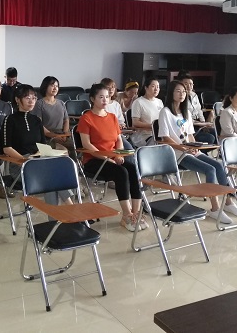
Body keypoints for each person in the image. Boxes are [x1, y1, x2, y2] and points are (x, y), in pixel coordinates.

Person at [158, 80, 237, 224]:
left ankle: (228, 202)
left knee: (218, 165)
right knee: (210, 170)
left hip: (190, 150)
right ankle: (215, 208)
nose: (182, 94)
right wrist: (184, 148)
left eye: (184, 92)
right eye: (178, 91)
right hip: (176, 153)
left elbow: (190, 135)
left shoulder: (186, 113)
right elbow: (165, 138)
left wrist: (194, 145)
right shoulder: (165, 112)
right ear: (171, 93)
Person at [77, 83, 145, 232]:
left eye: (107, 97)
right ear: (92, 99)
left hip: (112, 158)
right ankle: (126, 215)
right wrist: (106, 158)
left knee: (132, 168)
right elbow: (87, 144)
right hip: (94, 160)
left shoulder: (112, 117)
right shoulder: (86, 118)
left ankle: (136, 213)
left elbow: (118, 140)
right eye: (101, 97)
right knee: (121, 172)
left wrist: (118, 154)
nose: (105, 100)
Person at [1, 84, 72, 207]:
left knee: (54, 173)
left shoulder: (36, 120)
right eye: (27, 98)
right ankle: (71, 208)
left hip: (39, 161)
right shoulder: (10, 119)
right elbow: (7, 148)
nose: (31, 101)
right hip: (20, 164)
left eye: (34, 98)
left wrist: (52, 153)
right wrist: (25, 161)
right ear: (17, 99)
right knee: (52, 176)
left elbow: (42, 145)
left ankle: (61, 213)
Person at [32, 76, 74, 154]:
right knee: (62, 150)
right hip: (47, 136)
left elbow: (66, 120)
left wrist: (64, 134)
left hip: (62, 135)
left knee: (74, 147)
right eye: (52, 85)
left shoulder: (61, 103)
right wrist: (54, 136)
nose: (55, 88)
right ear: (45, 87)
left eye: (56, 86)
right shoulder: (39, 104)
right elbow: (39, 124)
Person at [179, 74, 216, 146]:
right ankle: (198, 151)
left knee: (214, 132)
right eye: (186, 84)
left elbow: (199, 111)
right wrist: (201, 124)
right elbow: (184, 119)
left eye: (190, 84)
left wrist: (203, 123)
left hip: (199, 124)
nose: (189, 86)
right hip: (190, 126)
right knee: (210, 138)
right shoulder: (180, 98)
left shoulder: (194, 95)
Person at [130, 77, 164, 147]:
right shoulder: (138, 102)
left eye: (158, 87)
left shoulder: (159, 102)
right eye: (153, 86)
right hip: (144, 136)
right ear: (146, 88)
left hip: (159, 134)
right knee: (160, 144)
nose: (156, 89)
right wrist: (153, 127)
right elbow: (135, 123)